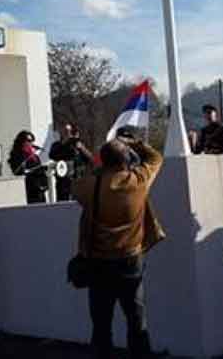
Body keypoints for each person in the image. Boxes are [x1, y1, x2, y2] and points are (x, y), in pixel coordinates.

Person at [73, 135, 165, 359]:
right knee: (136, 318)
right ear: (126, 160)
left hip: (98, 261)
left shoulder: (92, 186)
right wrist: (132, 142)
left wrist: (99, 171)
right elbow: (155, 158)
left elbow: (75, 188)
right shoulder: (138, 180)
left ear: (104, 162)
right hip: (130, 259)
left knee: (101, 322)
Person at [49, 123, 93, 201]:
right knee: (63, 201)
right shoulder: (56, 144)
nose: (67, 133)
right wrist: (64, 143)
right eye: (65, 131)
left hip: (78, 178)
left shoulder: (78, 143)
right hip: (63, 179)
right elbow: (52, 155)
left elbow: (90, 158)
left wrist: (82, 148)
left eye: (69, 131)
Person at [8, 130, 47, 203]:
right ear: (21, 141)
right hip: (28, 189)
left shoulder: (35, 157)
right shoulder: (17, 156)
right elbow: (18, 171)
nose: (31, 143)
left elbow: (41, 171)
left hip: (39, 189)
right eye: (28, 141)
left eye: (32, 141)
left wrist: (44, 184)